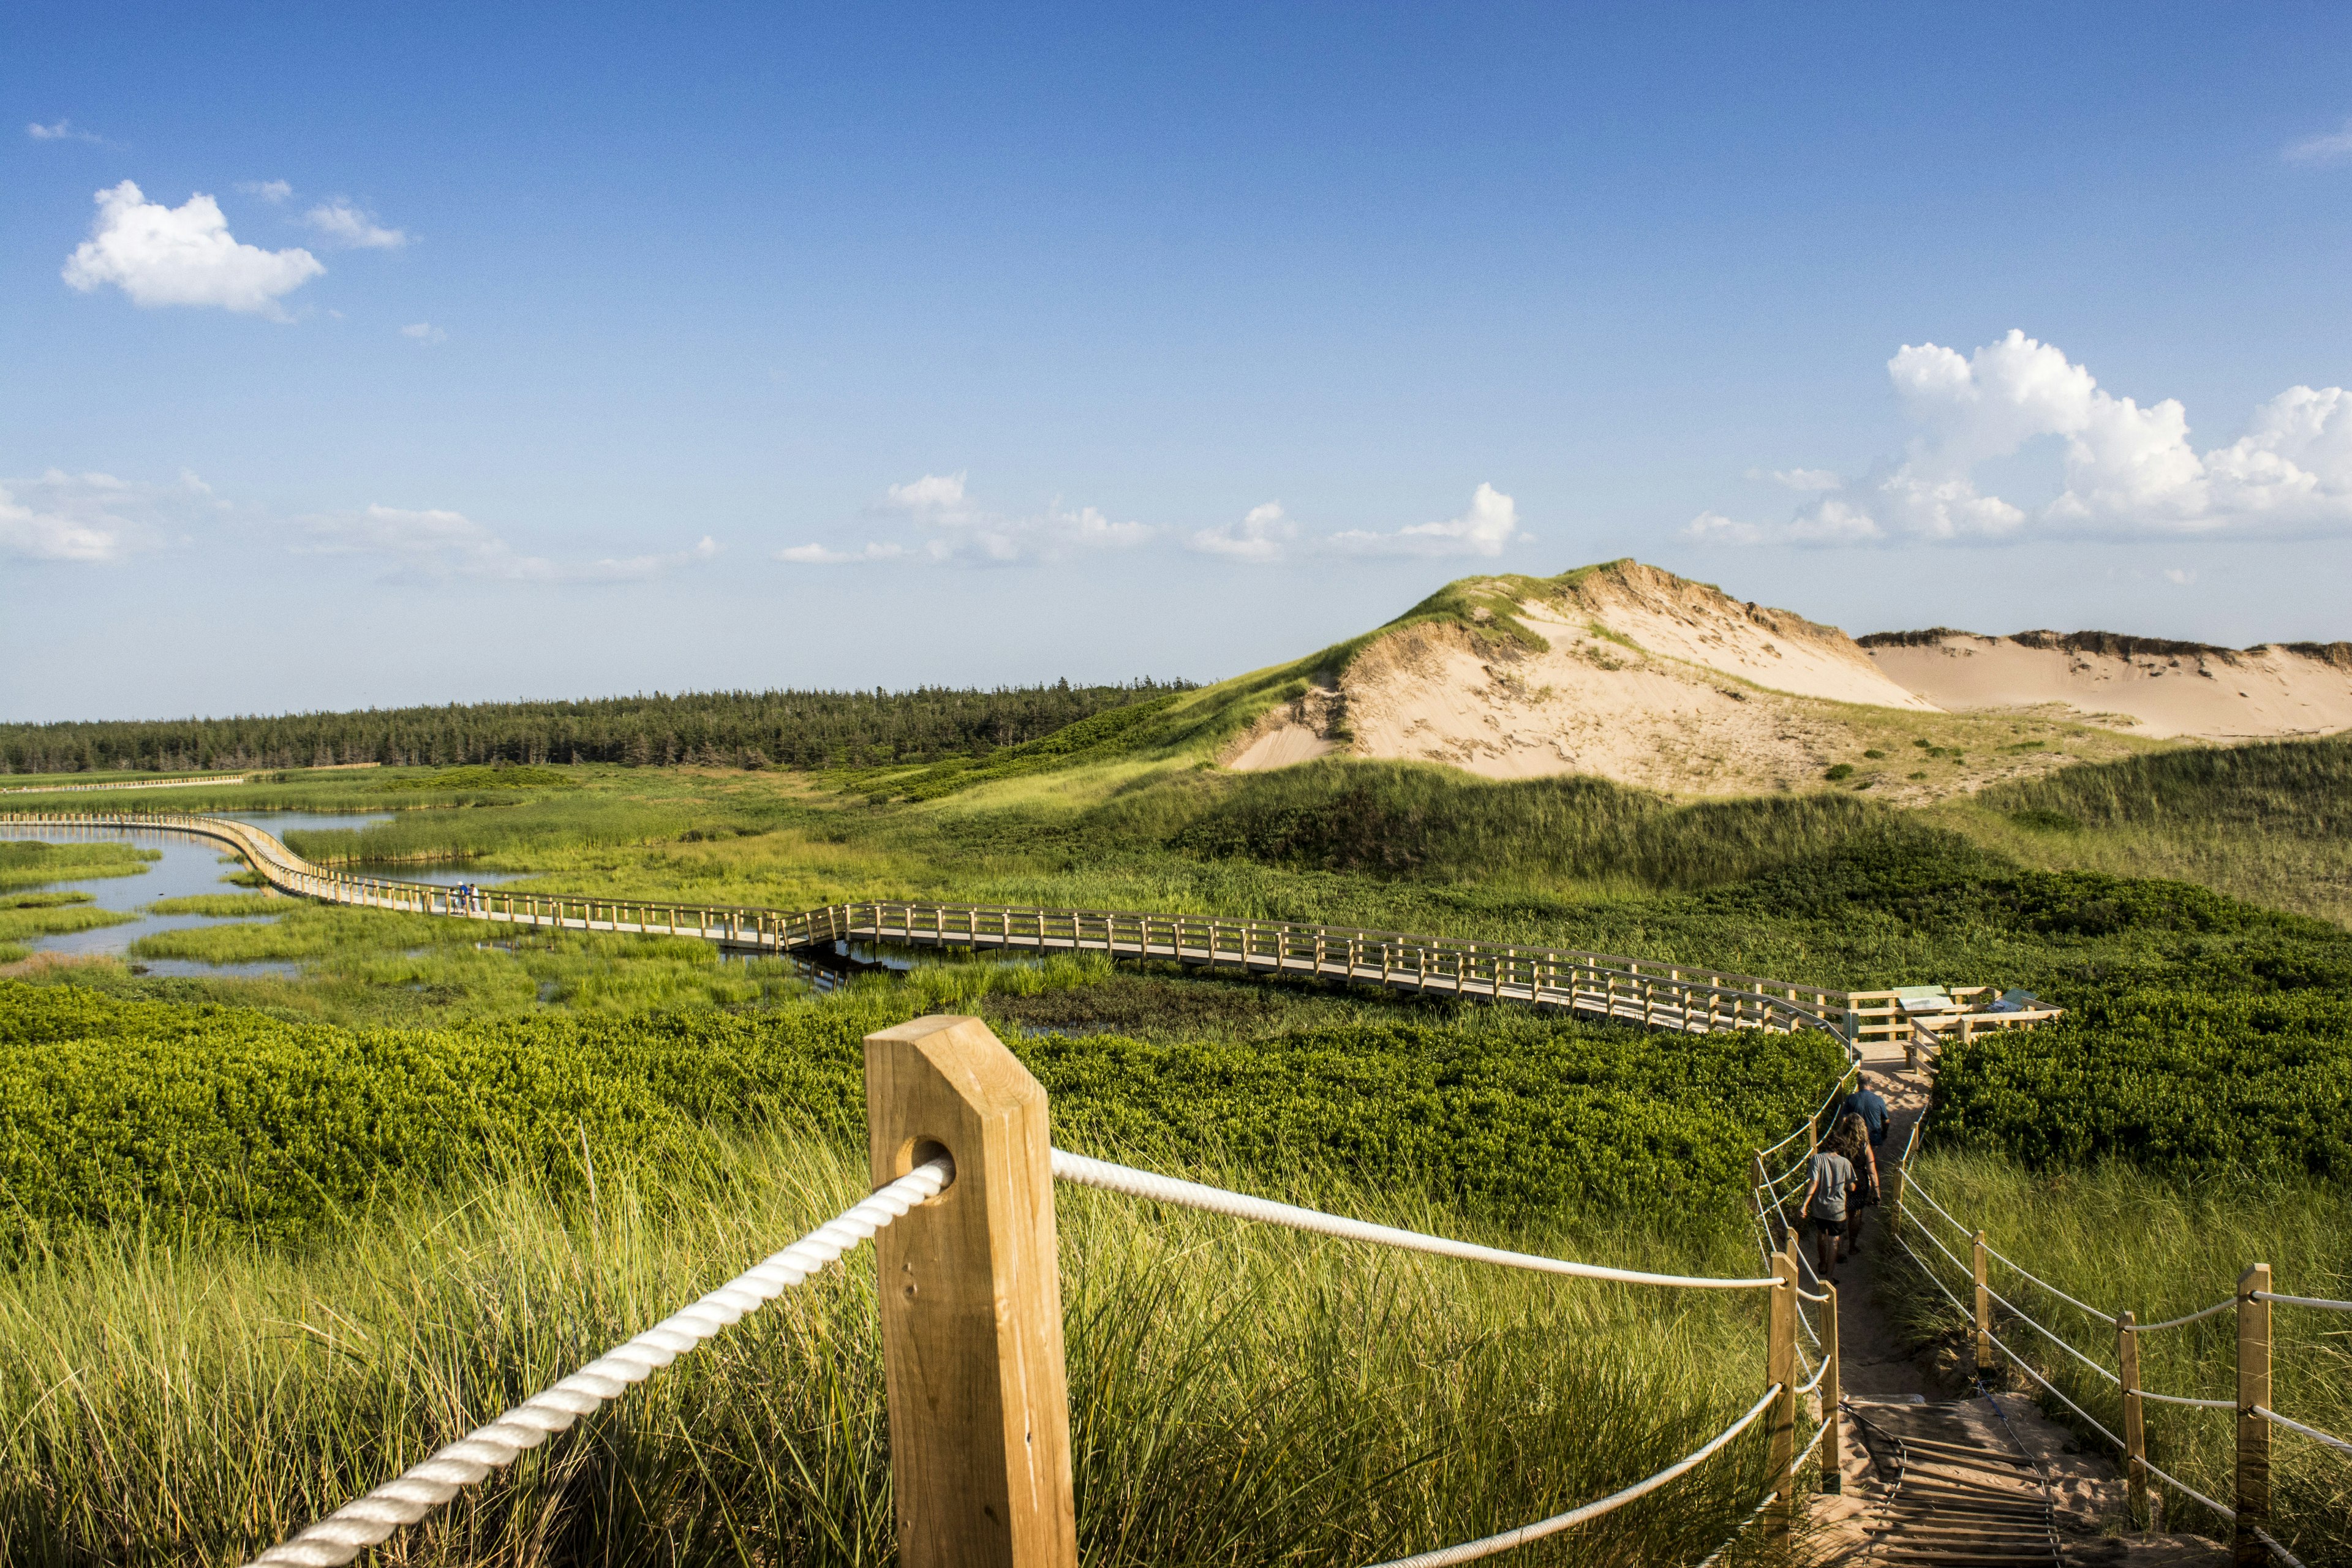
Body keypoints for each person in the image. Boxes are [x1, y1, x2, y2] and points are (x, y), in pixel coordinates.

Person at [1798, 1134, 1856, 1285]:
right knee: (1834, 1241)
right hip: (1837, 1209)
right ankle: (1829, 1277)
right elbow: (1851, 1186)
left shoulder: (1816, 1159)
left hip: (1819, 1207)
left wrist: (1804, 1204)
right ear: (1840, 1147)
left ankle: (1822, 1264)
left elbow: (1813, 1182)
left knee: (1822, 1235)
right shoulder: (1845, 1162)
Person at [1831, 1112, 1880, 1255]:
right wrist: (1876, 1191)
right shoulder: (1864, 1145)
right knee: (1855, 1215)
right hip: (1859, 1183)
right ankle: (1852, 1246)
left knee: (1840, 1215)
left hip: (1840, 1181)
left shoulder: (1840, 1143)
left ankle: (1837, 1251)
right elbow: (1872, 1171)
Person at [1842, 1073, 1890, 1150]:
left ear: (1858, 1085)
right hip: (1874, 1138)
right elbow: (1886, 1121)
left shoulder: (1850, 1099)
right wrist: (1884, 1133)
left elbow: (1844, 1119)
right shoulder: (1879, 1100)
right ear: (1870, 1085)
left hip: (1856, 1138)